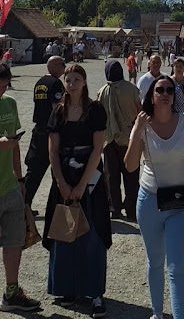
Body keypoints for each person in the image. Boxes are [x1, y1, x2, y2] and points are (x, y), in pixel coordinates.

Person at [124, 74, 184, 319]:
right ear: (151, 94)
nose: (165, 95)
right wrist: (138, 130)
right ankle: (157, 312)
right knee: (155, 260)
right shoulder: (143, 124)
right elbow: (129, 165)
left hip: (180, 203)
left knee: (177, 266)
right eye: (159, 90)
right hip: (150, 200)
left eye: (169, 90)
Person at [42, 64, 112, 319]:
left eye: (76, 79)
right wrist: (61, 182)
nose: (71, 83)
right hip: (64, 177)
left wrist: (82, 185)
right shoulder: (58, 112)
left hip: (89, 177)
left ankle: (94, 293)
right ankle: (67, 287)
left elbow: (97, 149)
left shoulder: (95, 110)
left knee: (92, 234)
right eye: (68, 79)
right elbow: (52, 150)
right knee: (64, 232)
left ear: (84, 82)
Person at [0, 63, 41, 312]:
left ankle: (11, 292)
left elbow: (14, 145)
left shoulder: (10, 104)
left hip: (10, 187)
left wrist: (21, 179)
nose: (3, 89)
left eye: (5, 84)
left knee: (14, 241)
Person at [97, 60, 141, 221]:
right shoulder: (132, 89)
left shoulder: (102, 91)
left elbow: (99, 117)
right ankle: (131, 209)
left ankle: (115, 208)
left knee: (111, 176)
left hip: (109, 140)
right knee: (131, 175)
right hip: (130, 138)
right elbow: (139, 111)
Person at [24, 55, 66, 213]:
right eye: (62, 64)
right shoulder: (55, 83)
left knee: (34, 171)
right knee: (58, 170)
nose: (64, 67)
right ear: (54, 66)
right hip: (51, 132)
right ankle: (57, 207)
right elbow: (57, 106)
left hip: (38, 130)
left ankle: (24, 204)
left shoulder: (39, 82)